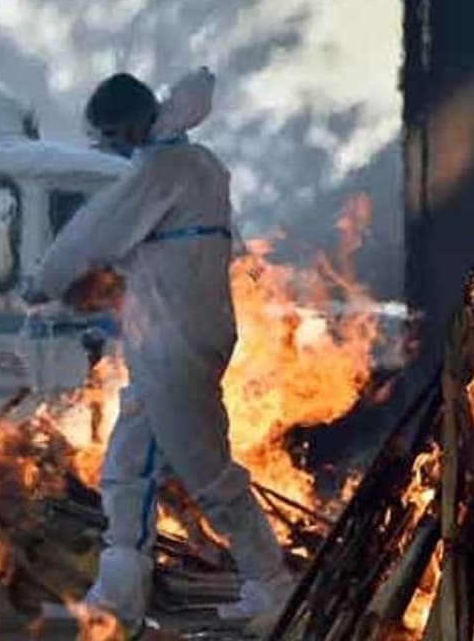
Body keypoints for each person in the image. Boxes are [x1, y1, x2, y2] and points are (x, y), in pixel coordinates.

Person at [20, 72, 293, 635]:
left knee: (209, 474)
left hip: (175, 347)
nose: (113, 147)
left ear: (130, 124)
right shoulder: (201, 166)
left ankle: (273, 587)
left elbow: (90, 236)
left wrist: (44, 282)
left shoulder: (160, 171)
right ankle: (117, 599)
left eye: (112, 135)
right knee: (126, 468)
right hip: (170, 342)